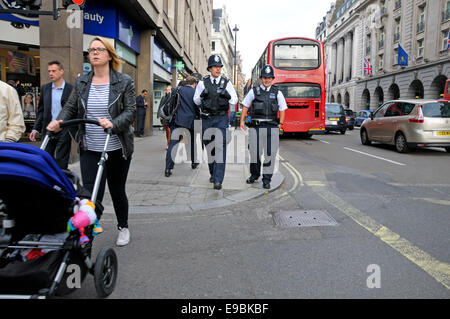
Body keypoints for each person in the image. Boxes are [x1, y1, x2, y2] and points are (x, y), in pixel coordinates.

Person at [46, 36, 136, 247]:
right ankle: (86, 233)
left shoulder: (124, 82)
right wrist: (59, 121)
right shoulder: (82, 81)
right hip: (90, 147)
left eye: (99, 49)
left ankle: (123, 227)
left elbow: (130, 111)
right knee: (90, 192)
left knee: (117, 190)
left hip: (116, 148)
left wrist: (113, 123)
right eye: (91, 50)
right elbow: (70, 107)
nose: (94, 53)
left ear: (109, 55)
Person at [194, 54, 238, 190]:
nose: (218, 69)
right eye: (215, 67)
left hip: (221, 119)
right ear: (210, 68)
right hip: (207, 119)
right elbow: (195, 100)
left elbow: (234, 100)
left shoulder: (227, 82)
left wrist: (228, 95)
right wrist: (202, 96)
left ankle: (218, 180)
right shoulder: (202, 83)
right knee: (210, 148)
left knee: (220, 148)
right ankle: (213, 172)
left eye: (219, 67)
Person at [240, 64, 287, 189]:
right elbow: (245, 105)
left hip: (272, 128)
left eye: (269, 77)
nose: (267, 80)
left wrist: (280, 124)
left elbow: (282, 109)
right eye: (265, 77)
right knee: (255, 153)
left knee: (269, 155)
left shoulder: (277, 92)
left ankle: (267, 179)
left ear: (272, 79)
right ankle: (254, 175)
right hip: (256, 128)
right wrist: (241, 121)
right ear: (261, 78)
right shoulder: (254, 91)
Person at [30, 61, 74, 170]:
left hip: (64, 130)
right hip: (48, 129)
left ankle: (60, 184)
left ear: (61, 71)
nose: (51, 73)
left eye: (53, 71)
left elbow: (74, 110)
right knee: (46, 159)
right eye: (49, 71)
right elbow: (41, 110)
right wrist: (35, 129)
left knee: (61, 162)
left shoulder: (71, 89)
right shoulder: (45, 88)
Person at [164, 76, 199, 177]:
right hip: (191, 121)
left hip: (177, 120)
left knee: (173, 144)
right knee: (192, 143)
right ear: (194, 84)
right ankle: (194, 162)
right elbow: (197, 107)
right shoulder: (194, 92)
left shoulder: (177, 90)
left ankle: (168, 169)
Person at [157, 84, 172, 149]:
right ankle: (168, 143)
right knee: (167, 131)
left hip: (170, 116)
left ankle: (169, 144)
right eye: (167, 90)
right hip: (164, 116)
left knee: (169, 130)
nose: (167, 91)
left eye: (169, 90)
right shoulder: (163, 97)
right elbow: (160, 106)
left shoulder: (172, 97)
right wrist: (159, 115)